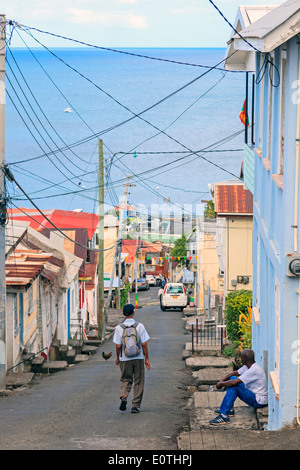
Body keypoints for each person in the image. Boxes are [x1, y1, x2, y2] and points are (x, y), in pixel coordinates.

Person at [209, 349, 268, 425]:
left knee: (234, 385)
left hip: (259, 401)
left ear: (244, 360)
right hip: (254, 396)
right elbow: (235, 373)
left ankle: (224, 416)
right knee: (232, 378)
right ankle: (228, 409)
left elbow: (234, 383)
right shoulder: (249, 366)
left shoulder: (253, 370)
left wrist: (221, 384)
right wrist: (221, 381)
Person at [113, 303, 151, 414]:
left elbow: (118, 346)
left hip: (125, 359)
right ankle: (135, 406)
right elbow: (144, 344)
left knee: (125, 379)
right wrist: (147, 358)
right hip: (138, 357)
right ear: (133, 313)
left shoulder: (119, 328)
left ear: (123, 314)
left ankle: (123, 396)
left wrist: (117, 358)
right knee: (139, 381)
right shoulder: (140, 326)